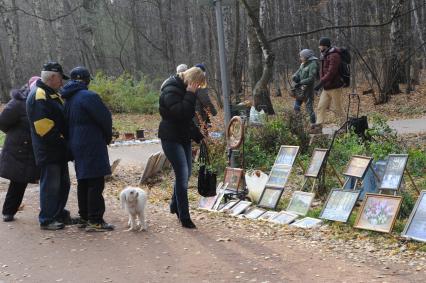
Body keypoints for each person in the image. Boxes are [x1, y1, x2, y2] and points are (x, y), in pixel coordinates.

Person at [61, 66, 114, 232]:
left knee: (83, 180)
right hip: (92, 143)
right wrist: (107, 137)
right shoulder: (89, 96)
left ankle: (84, 216)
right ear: (87, 80)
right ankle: (95, 220)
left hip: (76, 143)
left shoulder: (68, 99)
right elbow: (105, 119)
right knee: (96, 181)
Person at [26, 62, 72, 230]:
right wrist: (64, 144)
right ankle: (47, 218)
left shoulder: (51, 94)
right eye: (60, 79)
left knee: (63, 184)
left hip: (58, 150)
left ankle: (58, 213)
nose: (62, 82)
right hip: (49, 150)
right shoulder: (39, 95)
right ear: (52, 77)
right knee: (51, 186)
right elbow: (44, 128)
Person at [158, 66, 205, 229]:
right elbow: (181, 112)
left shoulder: (182, 89)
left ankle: (174, 204)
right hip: (170, 137)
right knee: (182, 176)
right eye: (197, 85)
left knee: (187, 173)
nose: (198, 88)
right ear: (192, 81)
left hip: (182, 136)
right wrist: (191, 94)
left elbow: (187, 119)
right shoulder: (171, 89)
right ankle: (184, 216)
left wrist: (198, 135)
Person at [0, 77, 40, 222]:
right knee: (18, 181)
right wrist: (18, 135)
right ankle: (8, 211)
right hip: (19, 148)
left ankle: (51, 211)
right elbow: (3, 122)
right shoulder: (18, 103)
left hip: (35, 148)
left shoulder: (41, 101)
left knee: (44, 179)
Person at [312, 37, 346, 134]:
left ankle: (344, 127)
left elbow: (331, 72)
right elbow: (323, 71)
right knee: (321, 107)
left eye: (320, 45)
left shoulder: (334, 55)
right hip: (326, 87)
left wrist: (320, 83)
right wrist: (320, 82)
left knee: (337, 108)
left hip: (335, 87)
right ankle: (318, 126)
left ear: (325, 45)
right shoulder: (324, 54)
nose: (319, 47)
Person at [292, 49, 319, 130]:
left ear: (306, 57)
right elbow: (298, 73)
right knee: (296, 107)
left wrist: (300, 82)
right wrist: (295, 77)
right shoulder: (303, 64)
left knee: (309, 108)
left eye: (301, 57)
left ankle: (313, 125)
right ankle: (298, 124)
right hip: (300, 90)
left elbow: (311, 79)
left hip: (308, 90)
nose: (300, 58)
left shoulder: (313, 64)